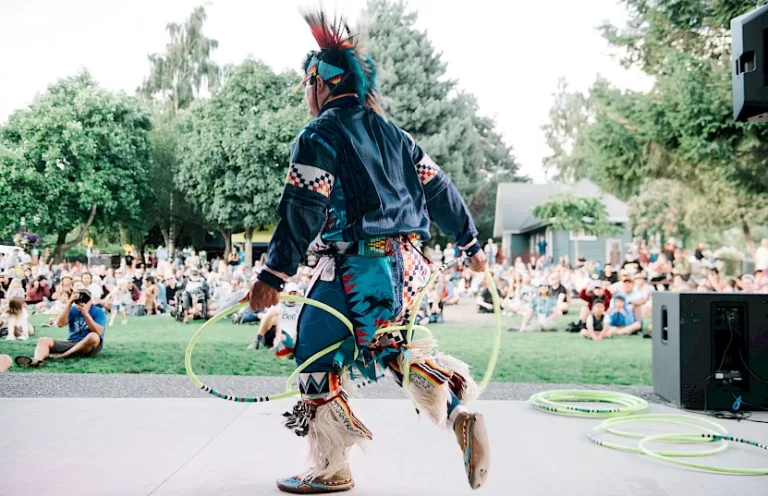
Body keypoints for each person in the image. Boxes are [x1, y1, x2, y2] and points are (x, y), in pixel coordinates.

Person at [241, 10, 489, 493]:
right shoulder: (396, 136)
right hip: (407, 269)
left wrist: (272, 275)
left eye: (307, 85)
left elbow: (303, 207)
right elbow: (440, 190)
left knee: (314, 353)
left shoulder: (319, 135)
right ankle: (460, 413)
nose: (307, 97)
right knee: (394, 349)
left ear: (321, 82)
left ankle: (331, 467)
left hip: (356, 265)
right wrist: (470, 244)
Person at [14, 289, 106, 368]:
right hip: (72, 342)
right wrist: (69, 303)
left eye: (85, 301)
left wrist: (86, 314)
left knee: (93, 336)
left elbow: (98, 332)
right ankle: (37, 361)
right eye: (77, 302)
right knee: (43, 340)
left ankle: (63, 355)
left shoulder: (98, 311)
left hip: (89, 347)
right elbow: (60, 324)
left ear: (90, 301)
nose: (81, 304)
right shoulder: (73, 310)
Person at [247, 282, 303, 356]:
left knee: (286, 343)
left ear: (298, 294)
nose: (292, 296)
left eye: (294, 293)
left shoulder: (301, 306)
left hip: (286, 336)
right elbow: (269, 315)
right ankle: (257, 340)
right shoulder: (278, 303)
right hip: (273, 332)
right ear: (285, 293)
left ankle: (278, 347)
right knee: (272, 313)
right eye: (290, 293)